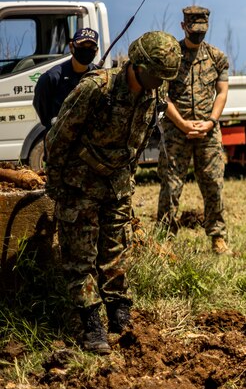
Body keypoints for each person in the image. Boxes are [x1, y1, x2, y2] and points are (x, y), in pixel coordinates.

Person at [45, 31, 181, 353]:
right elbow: (58, 138)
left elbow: (137, 143)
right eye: (156, 75)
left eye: (165, 77)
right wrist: (57, 185)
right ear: (138, 64)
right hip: (80, 185)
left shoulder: (155, 94)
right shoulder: (96, 89)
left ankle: (120, 316)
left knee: (116, 254)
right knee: (80, 258)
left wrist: (127, 183)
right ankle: (92, 325)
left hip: (117, 186)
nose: (160, 82)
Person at [156, 6, 231, 255]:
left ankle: (218, 238)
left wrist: (210, 121)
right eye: (193, 30)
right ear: (183, 26)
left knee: (213, 184)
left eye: (202, 31)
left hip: (208, 132)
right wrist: (182, 123)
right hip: (177, 131)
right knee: (171, 185)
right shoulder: (171, 57)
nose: (197, 35)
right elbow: (162, 95)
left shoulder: (217, 57)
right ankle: (164, 240)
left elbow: (222, 92)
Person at [33, 26, 100, 129]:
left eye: (91, 47)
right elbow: (43, 111)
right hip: (60, 140)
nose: (86, 50)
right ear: (71, 46)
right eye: (82, 45)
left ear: (96, 51)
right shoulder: (52, 77)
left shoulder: (100, 76)